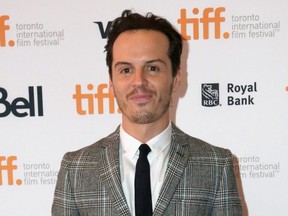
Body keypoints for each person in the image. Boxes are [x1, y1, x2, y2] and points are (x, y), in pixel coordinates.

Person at [52, 9, 242, 216]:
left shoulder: (216, 165)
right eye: (126, 70)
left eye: (152, 68)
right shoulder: (76, 168)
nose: (139, 82)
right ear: (111, 82)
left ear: (176, 77)